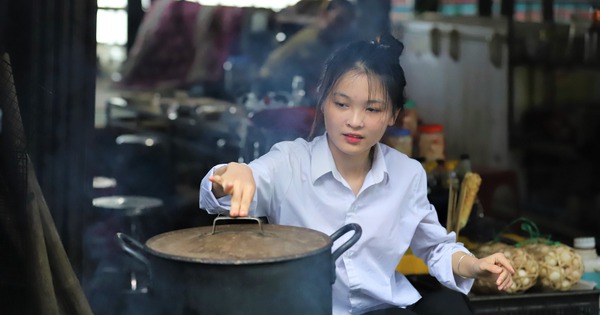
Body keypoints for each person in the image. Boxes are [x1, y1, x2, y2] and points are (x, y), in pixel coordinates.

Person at [199, 33, 514, 314]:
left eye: (372, 109)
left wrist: (474, 265)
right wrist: (234, 174)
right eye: (342, 104)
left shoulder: (407, 174)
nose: (355, 121)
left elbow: (435, 247)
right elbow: (228, 191)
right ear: (323, 102)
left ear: (393, 115)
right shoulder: (290, 162)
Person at [254, 0, 357, 103]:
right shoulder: (311, 40)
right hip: (272, 90)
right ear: (324, 14)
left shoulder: (329, 42)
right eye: (338, 20)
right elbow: (320, 75)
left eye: (345, 22)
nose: (341, 27)